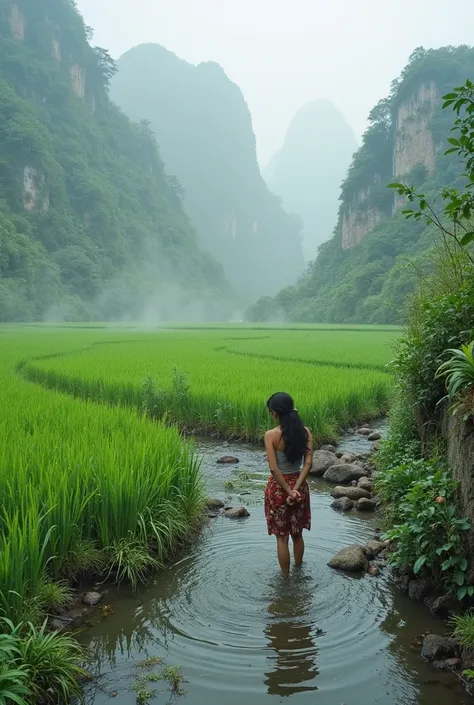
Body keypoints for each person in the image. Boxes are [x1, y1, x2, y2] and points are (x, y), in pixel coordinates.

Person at [264, 392, 312, 577]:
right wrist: (296, 489)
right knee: (297, 533)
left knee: (282, 538)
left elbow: (274, 469)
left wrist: (287, 491)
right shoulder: (305, 432)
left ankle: (285, 580)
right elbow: (308, 464)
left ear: (275, 413)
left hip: (278, 489)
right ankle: (299, 573)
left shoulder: (271, 435)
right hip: (299, 486)